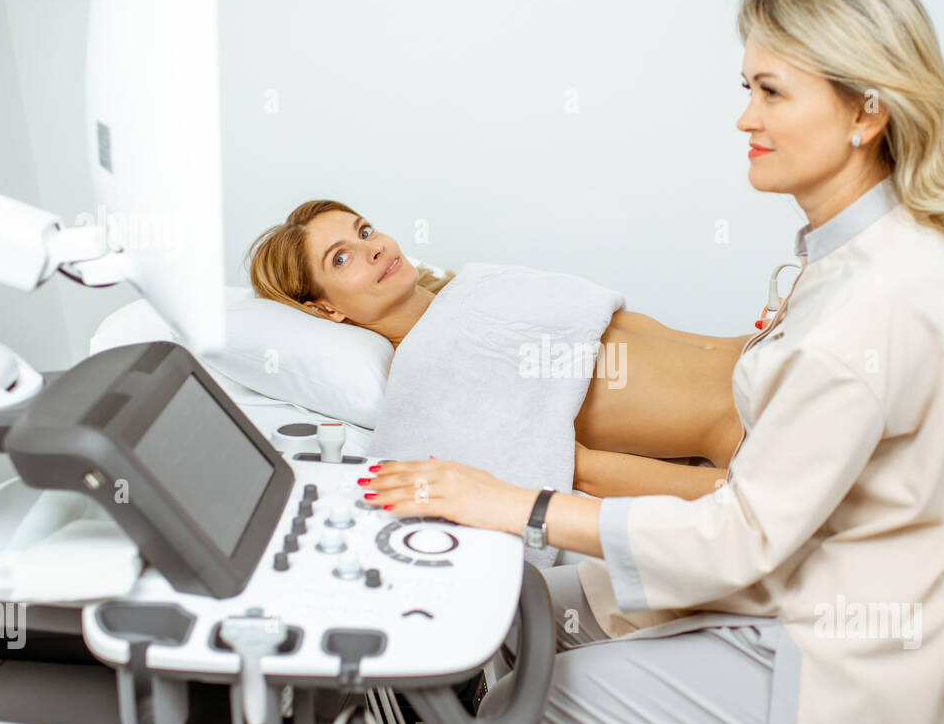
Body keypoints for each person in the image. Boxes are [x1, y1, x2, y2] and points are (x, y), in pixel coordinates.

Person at [366, 0, 944, 724]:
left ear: (866, 110)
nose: (746, 117)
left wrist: (514, 502)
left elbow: (738, 537)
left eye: (772, 92)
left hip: (841, 662)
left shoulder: (867, 307)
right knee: (528, 612)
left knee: (518, 718)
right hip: (817, 576)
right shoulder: (898, 250)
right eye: (747, 88)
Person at [246, 200, 755, 500]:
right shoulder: (425, 378)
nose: (373, 247)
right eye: (342, 258)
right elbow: (574, 470)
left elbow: (627, 326)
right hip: (757, 429)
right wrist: (739, 497)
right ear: (324, 310)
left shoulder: (475, 286)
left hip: (773, 355)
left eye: (364, 230)